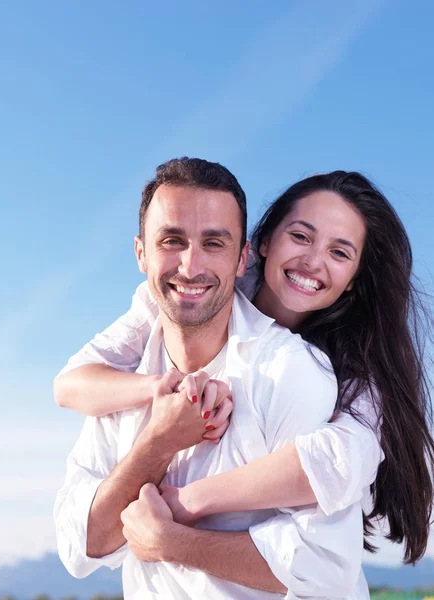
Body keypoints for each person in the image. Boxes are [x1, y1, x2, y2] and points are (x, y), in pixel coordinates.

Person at [56, 166, 434, 570]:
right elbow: (71, 384)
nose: (311, 261)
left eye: (339, 252)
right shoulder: (196, 289)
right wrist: (165, 390)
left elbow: (332, 464)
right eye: (301, 236)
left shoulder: (340, 370)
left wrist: (188, 504)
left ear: (356, 279)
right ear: (262, 245)